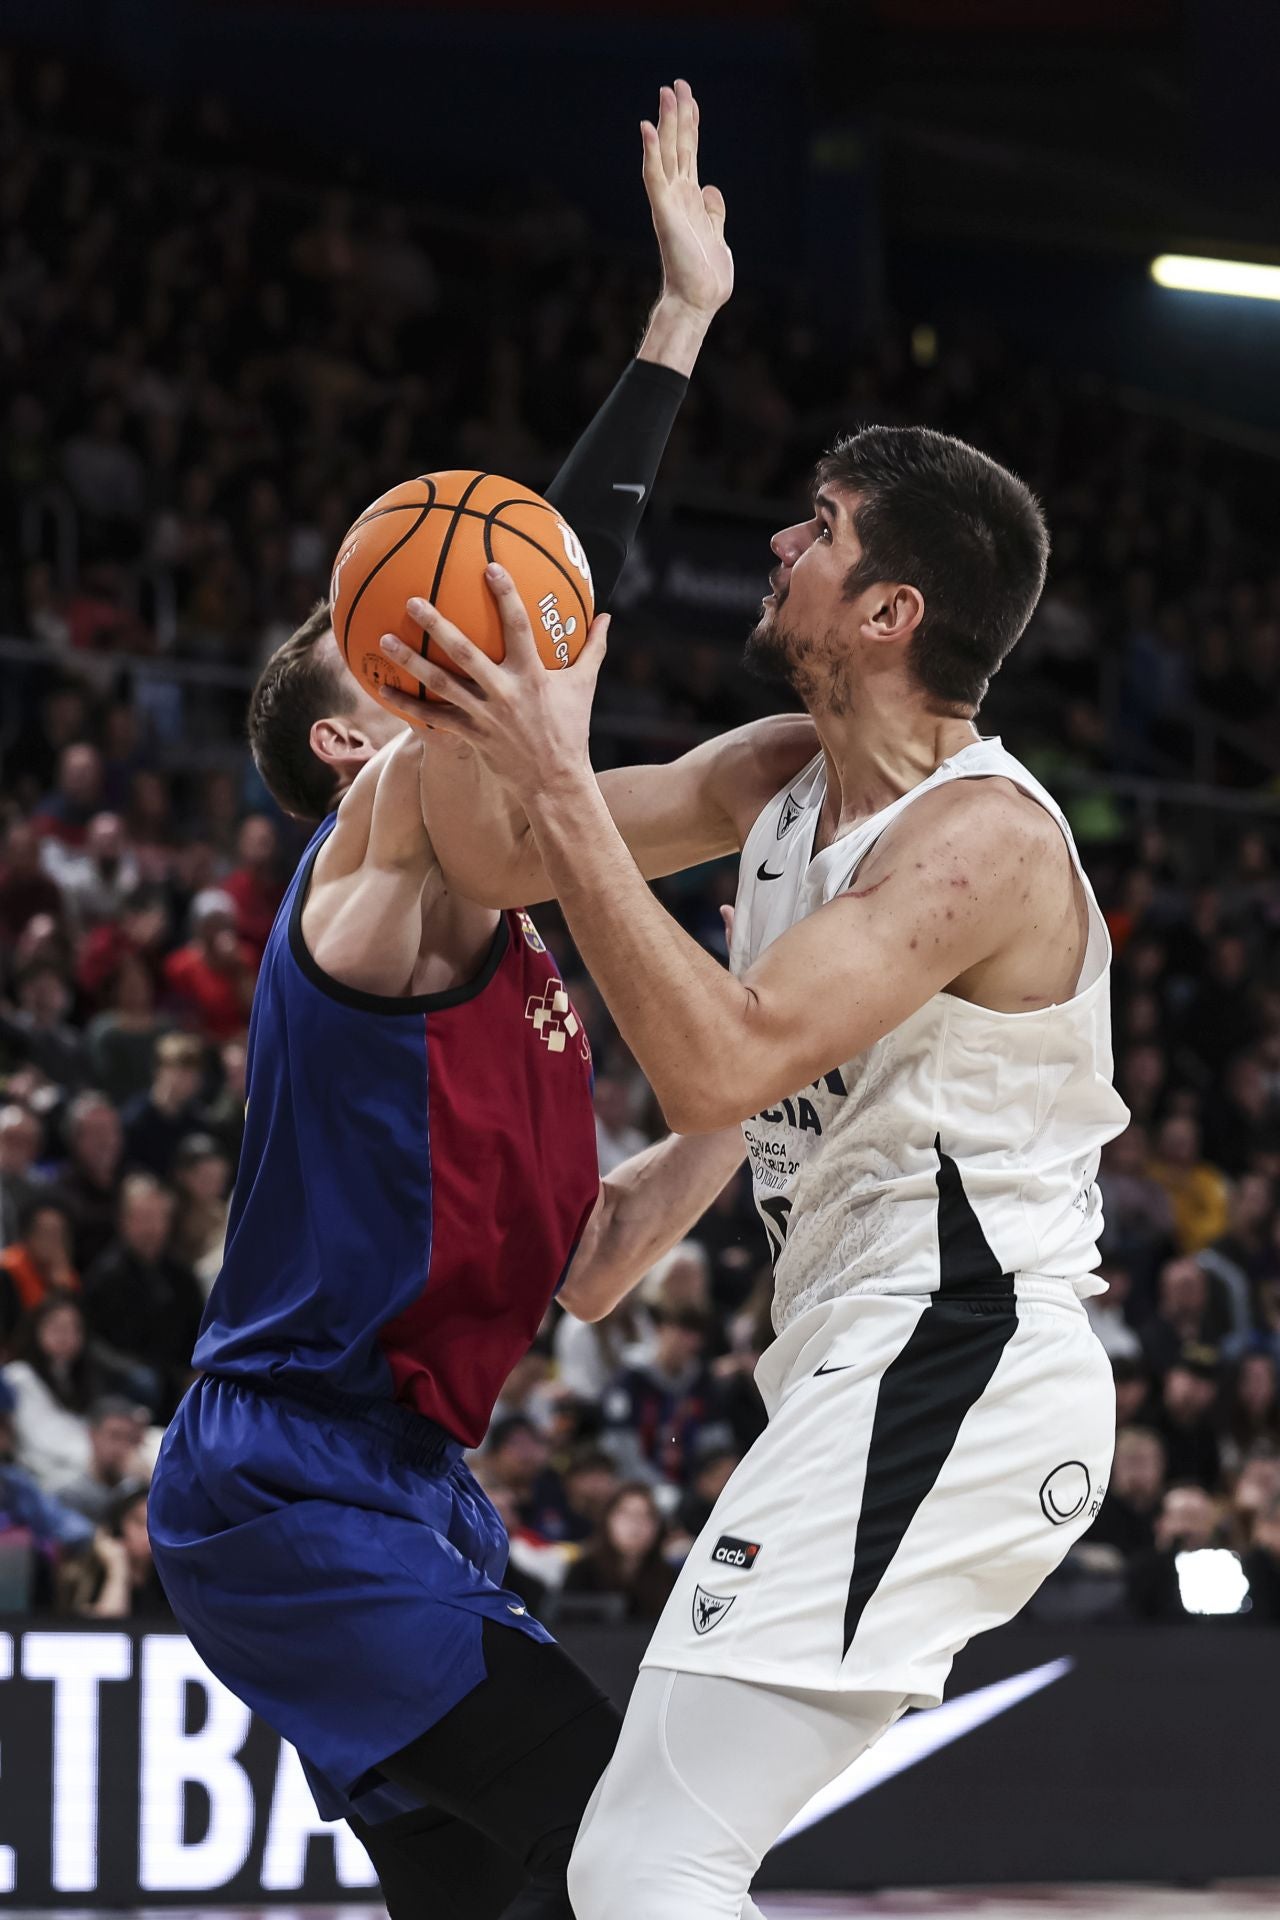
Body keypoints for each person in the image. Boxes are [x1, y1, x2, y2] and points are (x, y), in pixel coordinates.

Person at [147, 83, 805, 1920]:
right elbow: (536, 621)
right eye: (397, 657)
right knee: (626, 1844)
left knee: (509, 1898)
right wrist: (673, 336)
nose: (446, 653)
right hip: (290, 1484)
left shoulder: (513, 928)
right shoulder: (377, 839)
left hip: (410, 1486)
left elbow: (589, 1260)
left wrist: (743, 1090)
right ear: (363, 722)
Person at [416, 389, 1133, 1919]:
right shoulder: (776, 776)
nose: (780, 541)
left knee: (645, 1864)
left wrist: (552, 777)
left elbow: (721, 1062)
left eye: (819, 525)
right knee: (644, 1861)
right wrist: (481, 686)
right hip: (865, 1359)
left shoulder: (982, 843)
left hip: (961, 1354)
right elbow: (493, 859)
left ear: (891, 611)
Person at [3, 1291, 98, 1491]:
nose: (67, 1336)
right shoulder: (19, 1376)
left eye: (74, 1329)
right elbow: (42, 1438)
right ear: (36, 1329)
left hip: (78, 1463)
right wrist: (98, 1456)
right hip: (44, 1474)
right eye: (58, 1327)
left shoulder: (72, 1376)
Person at [562, 1483, 678, 1621]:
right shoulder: (582, 1572)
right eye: (626, 1514)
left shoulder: (669, 1577)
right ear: (608, 1519)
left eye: (646, 1516)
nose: (635, 1524)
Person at [54, 1393, 150, 1521]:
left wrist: (148, 1483)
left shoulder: (134, 1484)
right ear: (92, 1435)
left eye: (129, 1438)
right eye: (115, 1436)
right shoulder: (69, 1492)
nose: (122, 1447)